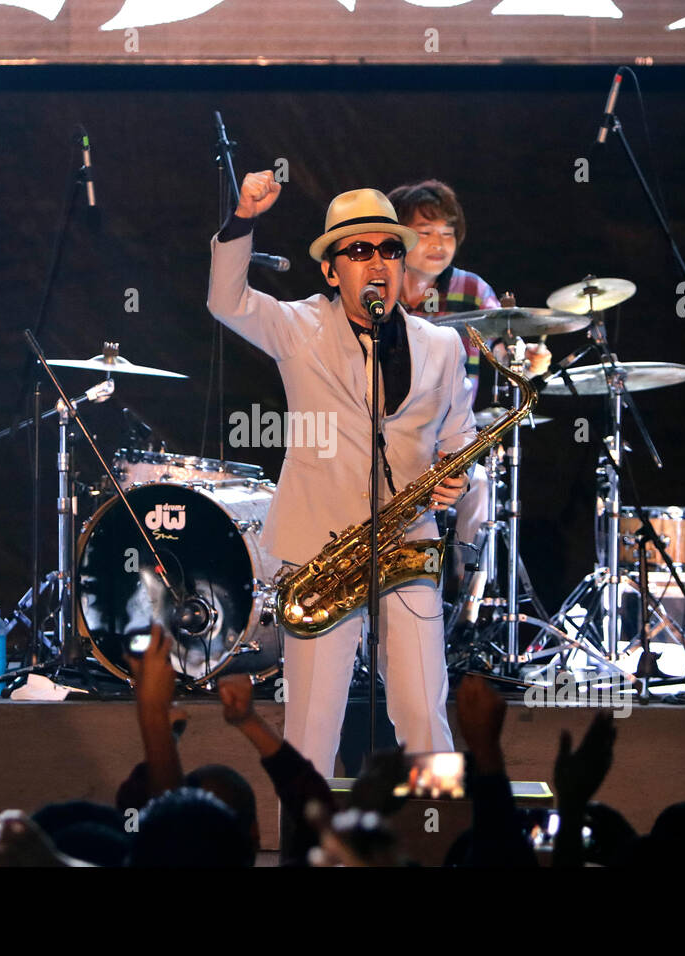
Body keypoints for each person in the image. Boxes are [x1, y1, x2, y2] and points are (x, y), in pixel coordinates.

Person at [207, 173, 473, 776]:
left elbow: (459, 437)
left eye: (389, 249)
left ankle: (437, 846)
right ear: (331, 270)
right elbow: (227, 301)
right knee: (310, 729)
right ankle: (307, 851)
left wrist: (454, 476)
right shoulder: (298, 327)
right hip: (320, 556)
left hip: (406, 548)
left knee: (425, 716)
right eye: (357, 251)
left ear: (403, 266)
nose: (375, 262)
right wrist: (243, 218)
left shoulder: (442, 346)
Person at [388, 180, 550, 560]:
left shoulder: (472, 289)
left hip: (448, 441)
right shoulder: (380, 287)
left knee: (479, 489)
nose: (439, 244)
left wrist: (524, 358)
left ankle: (469, 599)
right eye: (425, 233)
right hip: (386, 436)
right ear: (399, 236)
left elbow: (501, 345)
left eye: (448, 233)